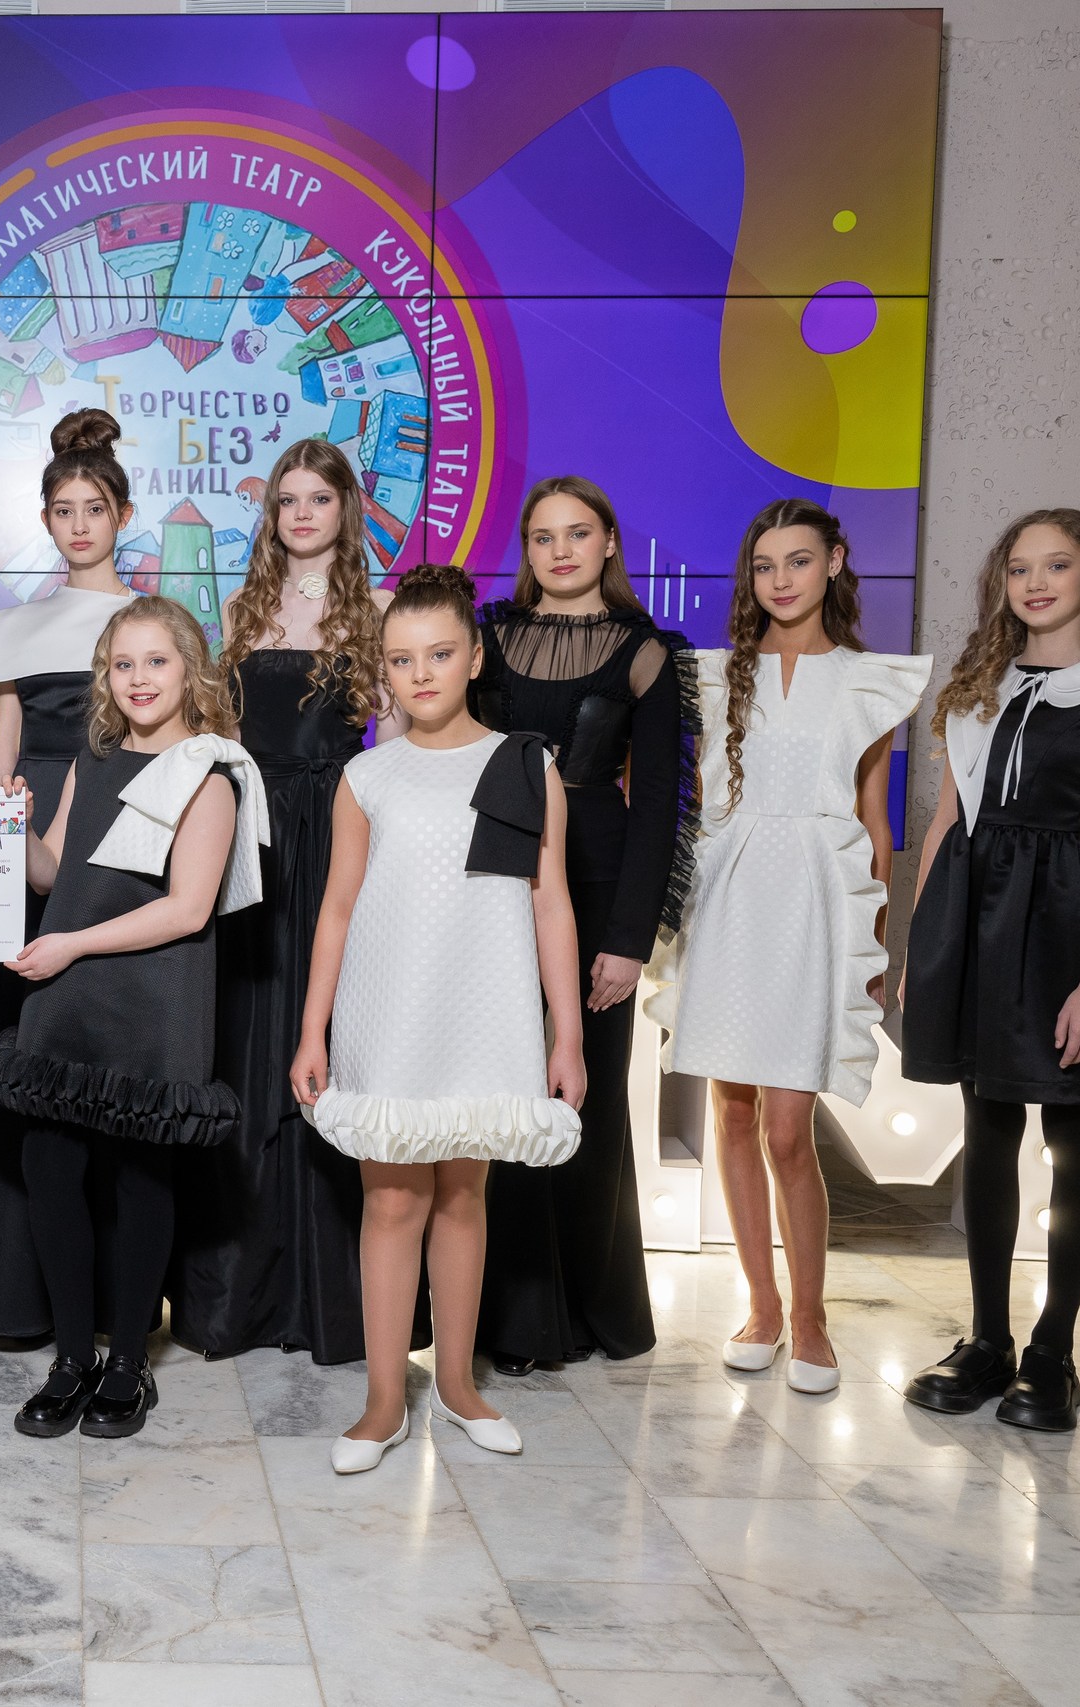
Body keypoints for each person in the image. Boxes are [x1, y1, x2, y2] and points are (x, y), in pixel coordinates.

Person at [291, 565, 586, 1472]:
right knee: (392, 1198)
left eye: (440, 653)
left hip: (486, 1006)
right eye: (401, 658)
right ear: (383, 668)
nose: (420, 674)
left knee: (463, 1193)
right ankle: (384, 1400)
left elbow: (550, 902)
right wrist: (313, 1029)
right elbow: (337, 908)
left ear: (475, 656)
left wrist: (567, 1033)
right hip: (388, 1008)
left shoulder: (528, 764)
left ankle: (457, 1384)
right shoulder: (366, 775)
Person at [898, 509, 1080, 1432]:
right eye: (1020, 567)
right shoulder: (977, 688)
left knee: (1070, 1127)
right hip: (975, 919)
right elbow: (947, 823)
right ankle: (988, 1338)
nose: (1035, 582)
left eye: (1057, 565)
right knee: (986, 1129)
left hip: (1064, 921)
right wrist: (923, 948)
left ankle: (1053, 1351)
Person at [646, 499, 929, 1397]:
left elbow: (876, 827)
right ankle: (761, 1306)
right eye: (764, 565)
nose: (781, 579)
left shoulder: (867, 682)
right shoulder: (715, 675)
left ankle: (811, 1317)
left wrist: (872, 951)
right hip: (728, 901)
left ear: (835, 561)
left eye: (798, 560)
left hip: (814, 906)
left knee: (786, 1127)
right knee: (731, 1113)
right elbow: (695, 802)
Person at [0, 596, 264, 1440]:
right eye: (122, 663)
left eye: (156, 661)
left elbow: (187, 908)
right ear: (105, 675)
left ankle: (130, 1364)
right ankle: (74, 1357)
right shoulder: (92, 760)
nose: (138, 678)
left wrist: (69, 944)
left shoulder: (210, 772)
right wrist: (20, 830)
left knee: (142, 1183)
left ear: (190, 669)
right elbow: (53, 874)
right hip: (67, 992)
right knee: (50, 1169)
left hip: (152, 995)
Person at [472, 476, 694, 1376]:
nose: (560, 550)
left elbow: (661, 807)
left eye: (577, 533)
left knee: (585, 1101)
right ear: (526, 549)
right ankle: (511, 1317)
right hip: (497, 879)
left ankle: (590, 1309)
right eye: (542, 536)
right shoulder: (486, 638)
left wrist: (632, 939)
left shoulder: (647, 651)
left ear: (608, 542)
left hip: (601, 886)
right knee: (501, 1091)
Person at [175, 438, 388, 1366]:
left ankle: (325, 1294)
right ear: (271, 515)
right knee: (246, 1038)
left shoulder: (378, 610)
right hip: (252, 833)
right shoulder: (239, 607)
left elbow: (395, 743)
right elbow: (221, 733)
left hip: (337, 834)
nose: (302, 514)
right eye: (288, 500)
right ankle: (240, 1297)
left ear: (346, 507)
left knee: (330, 1037)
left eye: (318, 498)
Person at [0, 407, 140, 1339]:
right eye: (63, 510)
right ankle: (7, 1290)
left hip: (112, 827)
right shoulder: (19, 622)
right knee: (15, 1044)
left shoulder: (149, 623)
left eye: (94, 508)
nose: (78, 524)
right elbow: (4, 748)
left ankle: (106, 1294)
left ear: (123, 515)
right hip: (24, 825)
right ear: (45, 519)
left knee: (98, 1047)